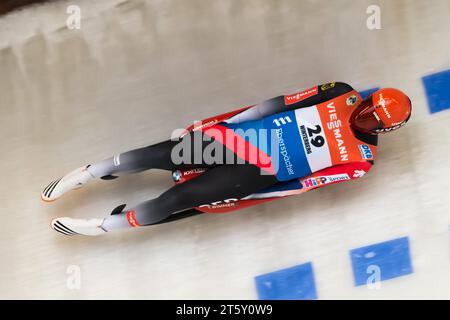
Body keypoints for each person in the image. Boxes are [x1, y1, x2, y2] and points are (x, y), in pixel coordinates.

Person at [42, 82, 412, 236]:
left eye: (373, 120)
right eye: (367, 108)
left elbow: (301, 186)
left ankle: (105, 226)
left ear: (385, 129)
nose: (364, 117)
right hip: (241, 139)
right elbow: (281, 103)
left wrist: (253, 195)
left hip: (257, 174)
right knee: (161, 156)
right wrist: (229, 123)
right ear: (365, 99)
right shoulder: (342, 93)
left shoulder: (360, 161)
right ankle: (91, 172)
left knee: (177, 199)